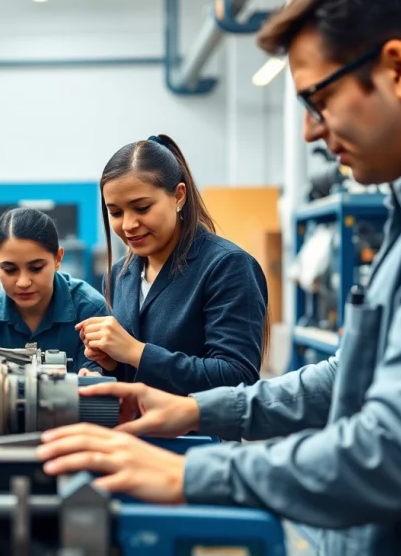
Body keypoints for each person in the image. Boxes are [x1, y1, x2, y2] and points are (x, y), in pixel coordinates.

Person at [36, 0, 401, 554]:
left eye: (318, 99)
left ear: (398, 69)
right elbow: (344, 375)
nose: (309, 132)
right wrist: (193, 409)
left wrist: (192, 475)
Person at [77, 134, 268, 395]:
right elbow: (132, 373)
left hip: (197, 436)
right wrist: (104, 367)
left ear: (178, 196)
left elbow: (237, 378)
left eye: (142, 208)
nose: (128, 225)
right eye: (116, 213)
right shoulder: (119, 275)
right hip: (131, 433)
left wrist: (136, 352)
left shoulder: (227, 266)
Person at [0, 207, 106, 373]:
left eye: (36, 268)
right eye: (9, 269)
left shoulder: (90, 309)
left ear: (58, 258)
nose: (23, 282)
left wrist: (91, 376)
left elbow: (96, 377)